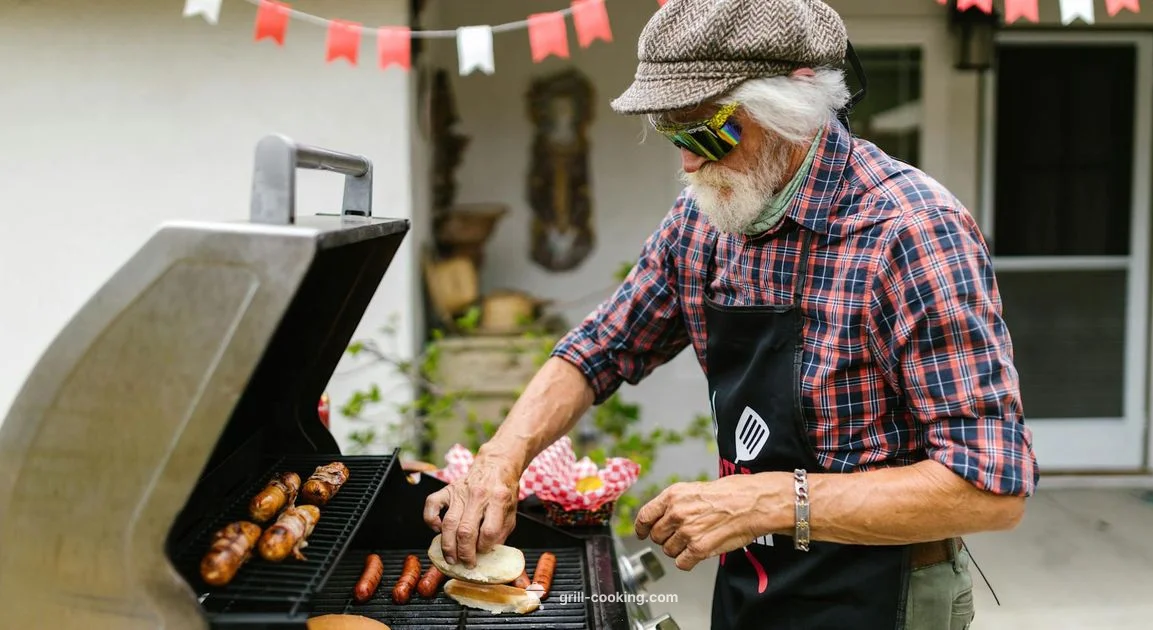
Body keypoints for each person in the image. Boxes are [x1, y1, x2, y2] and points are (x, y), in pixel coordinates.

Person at [424, 0, 1039, 628]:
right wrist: (498, 462)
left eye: (704, 132)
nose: (687, 162)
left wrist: (772, 500)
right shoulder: (706, 217)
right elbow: (598, 349)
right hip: (757, 576)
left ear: (792, 110)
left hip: (884, 591)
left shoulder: (909, 232)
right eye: (673, 134)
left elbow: (990, 486)